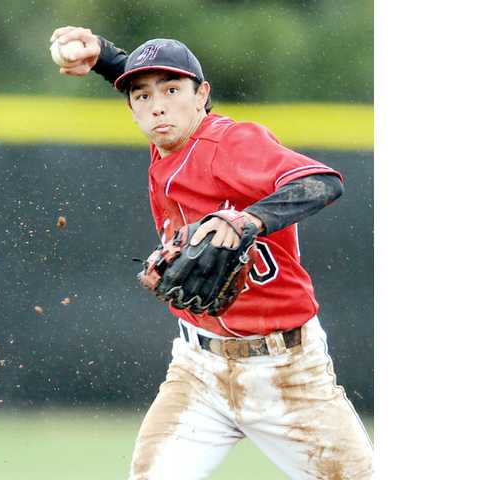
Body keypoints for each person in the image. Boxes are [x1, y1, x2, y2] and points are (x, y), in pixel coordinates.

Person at [50, 26, 374, 480]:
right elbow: (149, 82)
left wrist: (248, 220)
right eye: (141, 97)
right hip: (198, 371)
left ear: (202, 95)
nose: (158, 105)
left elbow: (323, 181)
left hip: (286, 372)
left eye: (173, 90)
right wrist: (103, 55)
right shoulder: (169, 133)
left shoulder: (231, 143)